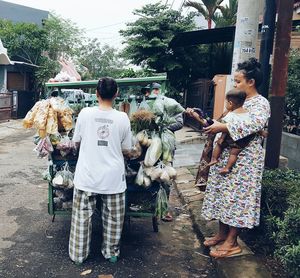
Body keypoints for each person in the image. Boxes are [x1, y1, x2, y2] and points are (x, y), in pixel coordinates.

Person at [186, 58, 270, 258]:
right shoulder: (237, 101)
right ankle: (222, 234)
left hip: (244, 161)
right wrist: (202, 120)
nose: (235, 85)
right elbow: (221, 122)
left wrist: (222, 127)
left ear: (251, 82)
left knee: (238, 199)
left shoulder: (260, 103)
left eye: (238, 81)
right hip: (225, 158)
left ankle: (232, 242)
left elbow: (253, 125)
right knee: (224, 196)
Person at [69, 77, 132, 264]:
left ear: (96, 93)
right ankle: (111, 253)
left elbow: (76, 142)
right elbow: (127, 149)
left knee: (81, 217)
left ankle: (78, 255)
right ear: (116, 94)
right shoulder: (122, 117)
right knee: (113, 218)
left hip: (87, 175)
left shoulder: (85, 114)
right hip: (113, 178)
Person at [149, 82, 184, 222]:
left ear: (161, 90)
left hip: (165, 145)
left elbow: (180, 123)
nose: (154, 92)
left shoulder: (169, 104)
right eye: (152, 90)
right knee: (148, 172)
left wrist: (163, 126)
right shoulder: (148, 103)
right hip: (149, 143)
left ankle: (164, 209)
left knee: (164, 175)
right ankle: (149, 203)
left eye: (156, 90)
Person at [208, 89, 256, 175]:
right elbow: (253, 126)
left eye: (226, 103)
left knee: (219, 144)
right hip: (242, 140)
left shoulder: (230, 115)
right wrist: (262, 132)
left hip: (230, 137)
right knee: (234, 154)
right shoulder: (248, 114)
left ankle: (214, 158)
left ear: (230, 103)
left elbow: (223, 127)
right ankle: (227, 168)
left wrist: (221, 138)